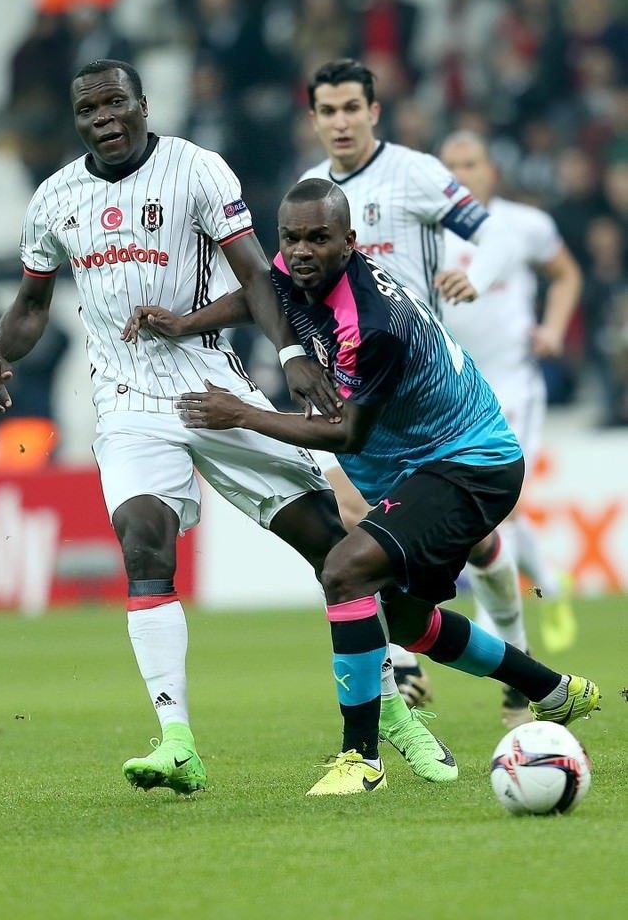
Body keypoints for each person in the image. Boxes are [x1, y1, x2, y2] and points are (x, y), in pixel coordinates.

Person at [0, 59, 455, 798]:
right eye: (87, 108)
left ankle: (390, 709)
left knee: (334, 548)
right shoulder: (53, 199)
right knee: (142, 540)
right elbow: (33, 303)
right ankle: (176, 741)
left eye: (114, 103)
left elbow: (257, 274)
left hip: (214, 390)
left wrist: (291, 355)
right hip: (127, 402)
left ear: (141, 104)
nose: (101, 118)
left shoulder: (195, 170)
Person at [127, 178, 601, 797]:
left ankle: (360, 759)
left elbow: (347, 434)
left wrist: (241, 413)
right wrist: (186, 324)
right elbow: (262, 295)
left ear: (349, 243)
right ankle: (554, 691)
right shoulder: (298, 271)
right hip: (421, 468)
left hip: (468, 464)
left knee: (346, 570)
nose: (300, 250)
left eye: (317, 239)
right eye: (290, 238)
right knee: (401, 618)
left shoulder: (372, 323)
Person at [299, 57, 526, 711]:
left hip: (429, 399)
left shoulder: (416, 173)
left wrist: (475, 272)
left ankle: (514, 646)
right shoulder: (310, 189)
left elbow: (491, 233)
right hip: (359, 394)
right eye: (328, 110)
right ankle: (400, 665)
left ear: (373, 111)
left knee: (477, 542)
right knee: (356, 517)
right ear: (313, 119)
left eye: (351, 108)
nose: (340, 121)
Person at [440, 131, 583, 675]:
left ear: (491, 170)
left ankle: (491, 618)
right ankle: (549, 581)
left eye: (471, 162)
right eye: (451, 165)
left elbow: (567, 273)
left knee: (502, 499)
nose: (462, 172)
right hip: (455, 392)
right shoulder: (429, 233)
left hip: (514, 382)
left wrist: (552, 327)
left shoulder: (525, 226)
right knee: (487, 508)